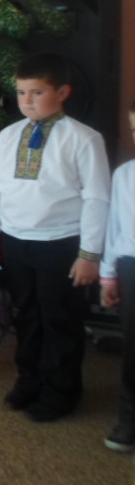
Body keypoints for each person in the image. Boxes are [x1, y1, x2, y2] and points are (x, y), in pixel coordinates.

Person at [0, 52, 110, 423]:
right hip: (15, 240)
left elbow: (97, 197)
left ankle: (60, 390)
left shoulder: (84, 139)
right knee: (25, 315)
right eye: (21, 92)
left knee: (59, 318)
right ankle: (30, 379)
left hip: (61, 243)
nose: (27, 101)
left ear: (62, 92)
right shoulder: (8, 136)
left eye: (37, 92)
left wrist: (89, 254)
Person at [100, 99, 135, 452]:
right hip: (131, 266)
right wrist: (108, 275)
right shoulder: (125, 175)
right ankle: (129, 416)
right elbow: (116, 228)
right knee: (133, 345)